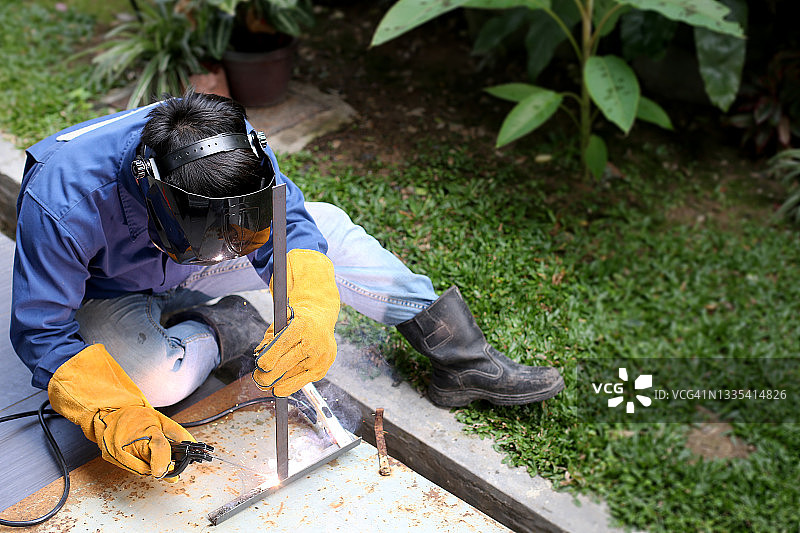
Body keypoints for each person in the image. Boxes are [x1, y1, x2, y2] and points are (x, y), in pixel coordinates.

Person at [10, 92, 564, 481]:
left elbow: (293, 224)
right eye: (213, 231)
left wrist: (312, 314)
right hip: (109, 291)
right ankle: (221, 327)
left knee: (331, 228)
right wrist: (114, 413)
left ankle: (463, 359)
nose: (233, 246)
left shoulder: (238, 152)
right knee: (149, 386)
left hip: (188, 264)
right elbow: (41, 331)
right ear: (152, 193)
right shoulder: (61, 201)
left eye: (238, 228)